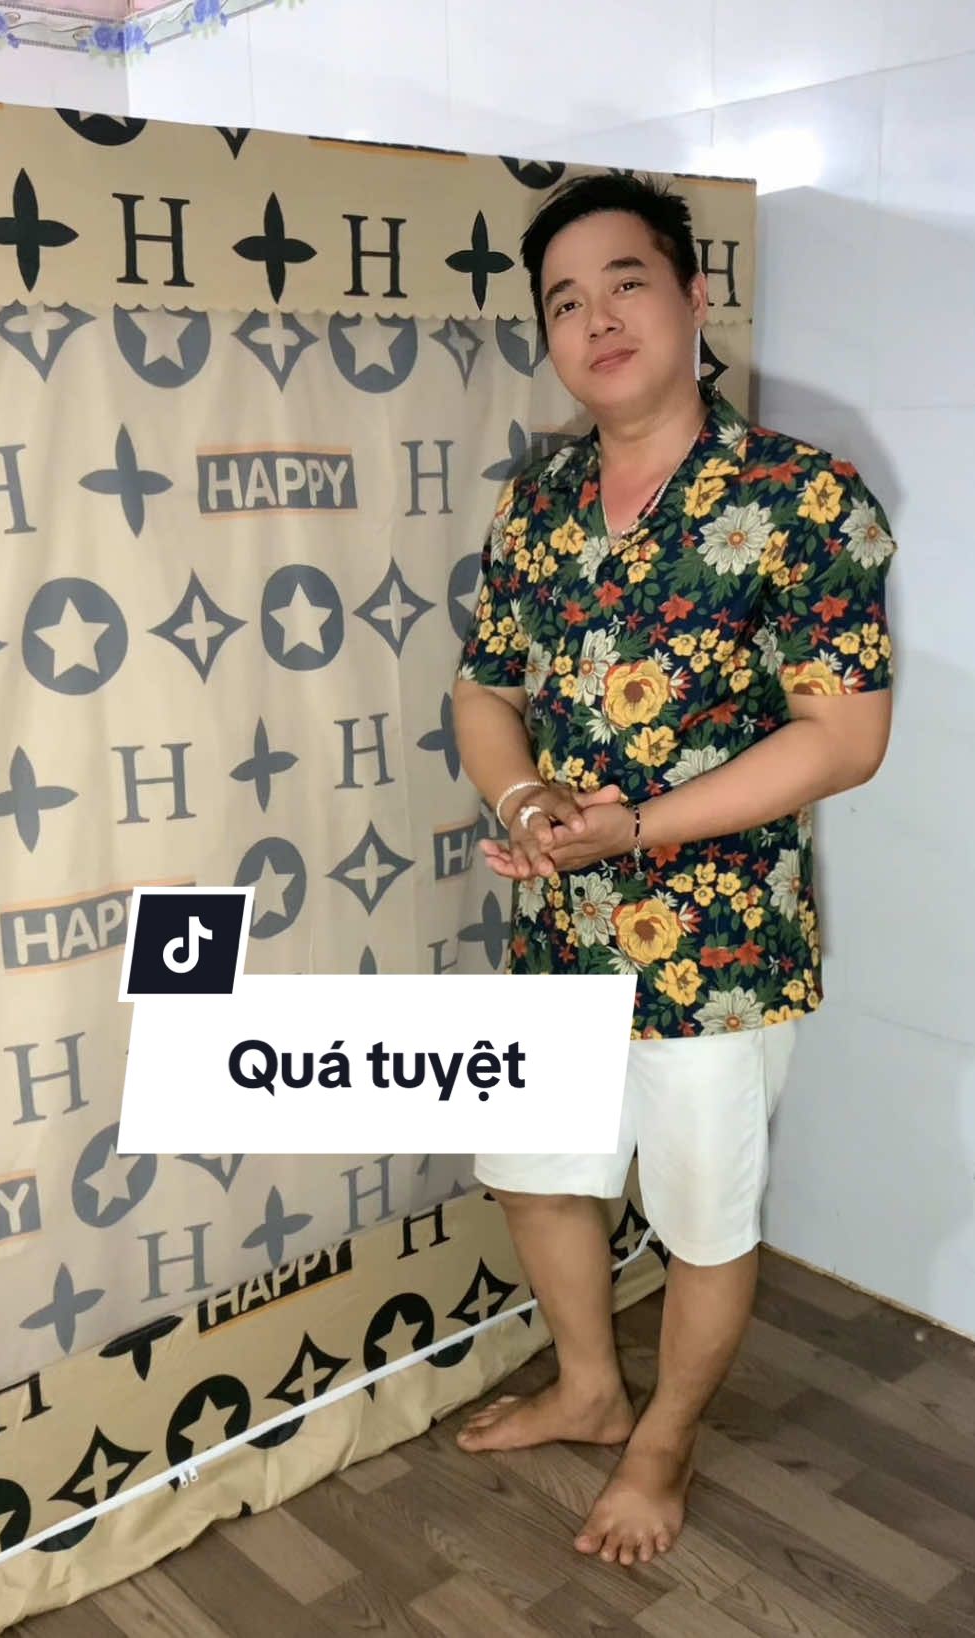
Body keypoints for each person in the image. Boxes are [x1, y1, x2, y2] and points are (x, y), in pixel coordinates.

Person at [450, 172, 895, 1570]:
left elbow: (844, 736)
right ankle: (590, 1388)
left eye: (625, 282)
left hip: (720, 944)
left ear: (695, 297)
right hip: (558, 921)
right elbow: (483, 691)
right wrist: (524, 795)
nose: (596, 319)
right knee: (535, 1174)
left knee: (703, 1215)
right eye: (563, 302)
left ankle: (664, 1440)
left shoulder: (801, 497)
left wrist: (636, 828)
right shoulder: (538, 502)